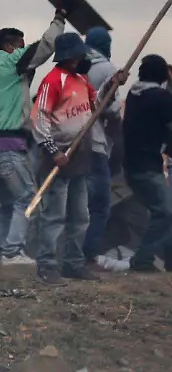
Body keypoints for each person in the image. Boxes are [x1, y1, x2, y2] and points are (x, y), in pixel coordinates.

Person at [0, 10, 66, 264]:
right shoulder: (8, 61)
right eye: (20, 46)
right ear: (9, 46)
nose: (23, 52)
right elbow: (45, 47)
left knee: (6, 204)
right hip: (8, 148)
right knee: (28, 200)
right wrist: (59, 19)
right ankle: (13, 252)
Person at [32, 32, 117, 285]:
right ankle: (47, 266)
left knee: (81, 216)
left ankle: (72, 263)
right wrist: (52, 150)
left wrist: (112, 86)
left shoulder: (80, 79)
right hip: (57, 156)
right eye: (78, 54)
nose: (82, 57)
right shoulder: (52, 80)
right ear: (69, 56)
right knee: (55, 216)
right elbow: (40, 118)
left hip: (80, 157)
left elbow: (97, 103)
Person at [121, 55, 172, 272]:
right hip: (148, 165)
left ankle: (148, 257)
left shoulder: (134, 94)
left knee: (154, 213)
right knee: (164, 213)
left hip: (131, 164)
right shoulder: (161, 97)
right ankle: (142, 260)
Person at [83, 26, 122, 268]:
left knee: (76, 202)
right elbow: (112, 109)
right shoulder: (108, 70)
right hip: (95, 143)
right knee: (99, 205)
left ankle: (69, 251)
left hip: (68, 143)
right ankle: (89, 255)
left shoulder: (75, 66)